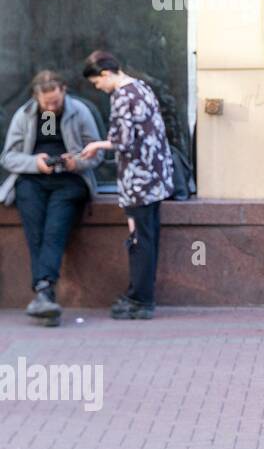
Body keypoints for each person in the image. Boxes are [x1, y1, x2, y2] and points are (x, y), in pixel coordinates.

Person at [77, 51, 174, 320]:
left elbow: (123, 141)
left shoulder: (121, 96)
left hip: (137, 179)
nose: (98, 88)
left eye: (97, 83)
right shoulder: (141, 87)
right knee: (148, 236)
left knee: (139, 239)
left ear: (105, 74)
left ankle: (140, 300)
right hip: (156, 175)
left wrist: (96, 145)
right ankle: (142, 295)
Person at [1, 71, 104, 321]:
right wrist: (36, 163)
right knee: (36, 232)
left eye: (55, 102)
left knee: (54, 230)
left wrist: (74, 162)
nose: (51, 107)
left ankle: (43, 293)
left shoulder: (79, 112)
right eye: (46, 103)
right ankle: (45, 293)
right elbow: (8, 157)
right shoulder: (27, 115)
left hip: (69, 182)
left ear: (64, 91)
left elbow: (97, 154)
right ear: (36, 96)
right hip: (33, 181)